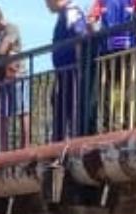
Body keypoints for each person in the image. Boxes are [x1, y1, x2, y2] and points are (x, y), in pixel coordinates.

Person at [88, 0, 136, 129]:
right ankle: (113, 123)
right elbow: (91, 19)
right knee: (108, 89)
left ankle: (126, 123)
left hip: (123, 49)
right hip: (111, 50)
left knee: (125, 88)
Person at [0, 6, 27, 151]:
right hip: (1, 77)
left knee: (22, 111)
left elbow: (2, 49)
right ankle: (4, 149)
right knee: (3, 114)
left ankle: (25, 147)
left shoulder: (11, 28)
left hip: (16, 74)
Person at [47, 0, 88, 140]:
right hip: (63, 71)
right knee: (59, 103)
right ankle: (59, 144)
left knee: (71, 105)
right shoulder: (63, 14)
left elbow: (80, 35)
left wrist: (78, 64)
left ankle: (72, 144)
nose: (47, 5)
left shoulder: (72, 12)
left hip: (71, 70)